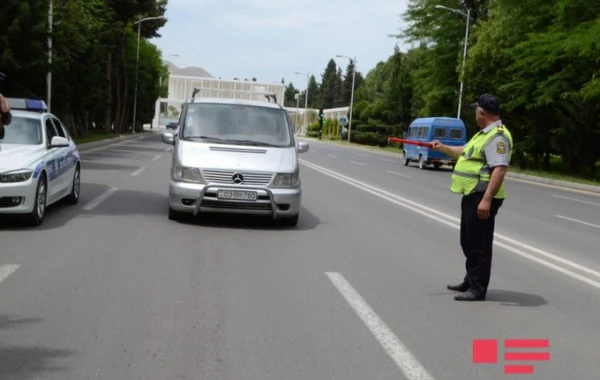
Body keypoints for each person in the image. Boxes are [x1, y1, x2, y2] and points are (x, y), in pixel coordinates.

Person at [431, 93, 513, 301]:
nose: (475, 113)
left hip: (482, 195)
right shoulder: (483, 134)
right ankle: (470, 280)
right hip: (472, 193)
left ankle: (478, 288)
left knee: (479, 244)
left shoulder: (498, 136)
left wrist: (486, 200)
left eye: (476, 109)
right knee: (468, 241)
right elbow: (465, 152)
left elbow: (500, 169)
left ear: (482, 112)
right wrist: (445, 149)